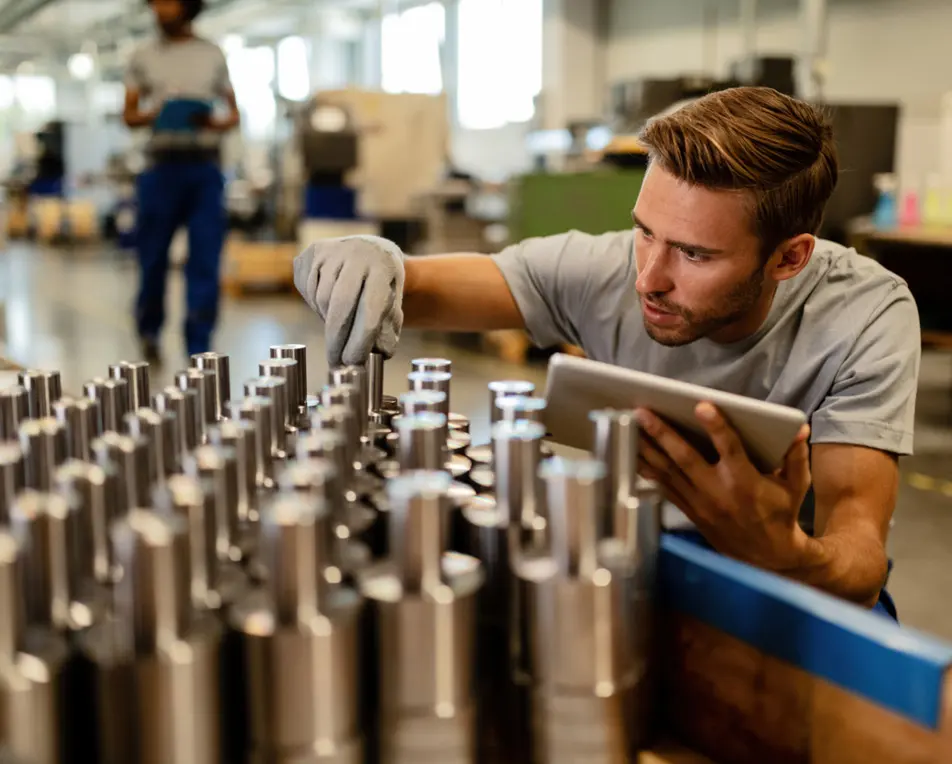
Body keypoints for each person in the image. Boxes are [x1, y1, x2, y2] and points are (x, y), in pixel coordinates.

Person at [292, 87, 920, 618]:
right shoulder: (603, 269)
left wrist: (784, 554)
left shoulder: (864, 314)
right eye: (644, 231)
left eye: (694, 254)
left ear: (789, 258)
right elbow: (421, 285)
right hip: (648, 546)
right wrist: (363, 260)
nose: (648, 278)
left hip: (799, 580)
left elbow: (860, 554)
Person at [123, 0, 240, 363]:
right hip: (160, 170)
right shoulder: (142, 56)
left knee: (205, 258)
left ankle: (199, 344)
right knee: (153, 257)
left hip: (204, 170)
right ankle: (148, 329)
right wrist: (158, 113)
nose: (159, 9)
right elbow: (129, 115)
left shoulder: (212, 55)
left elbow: (233, 114)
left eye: (167, 2)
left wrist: (210, 121)